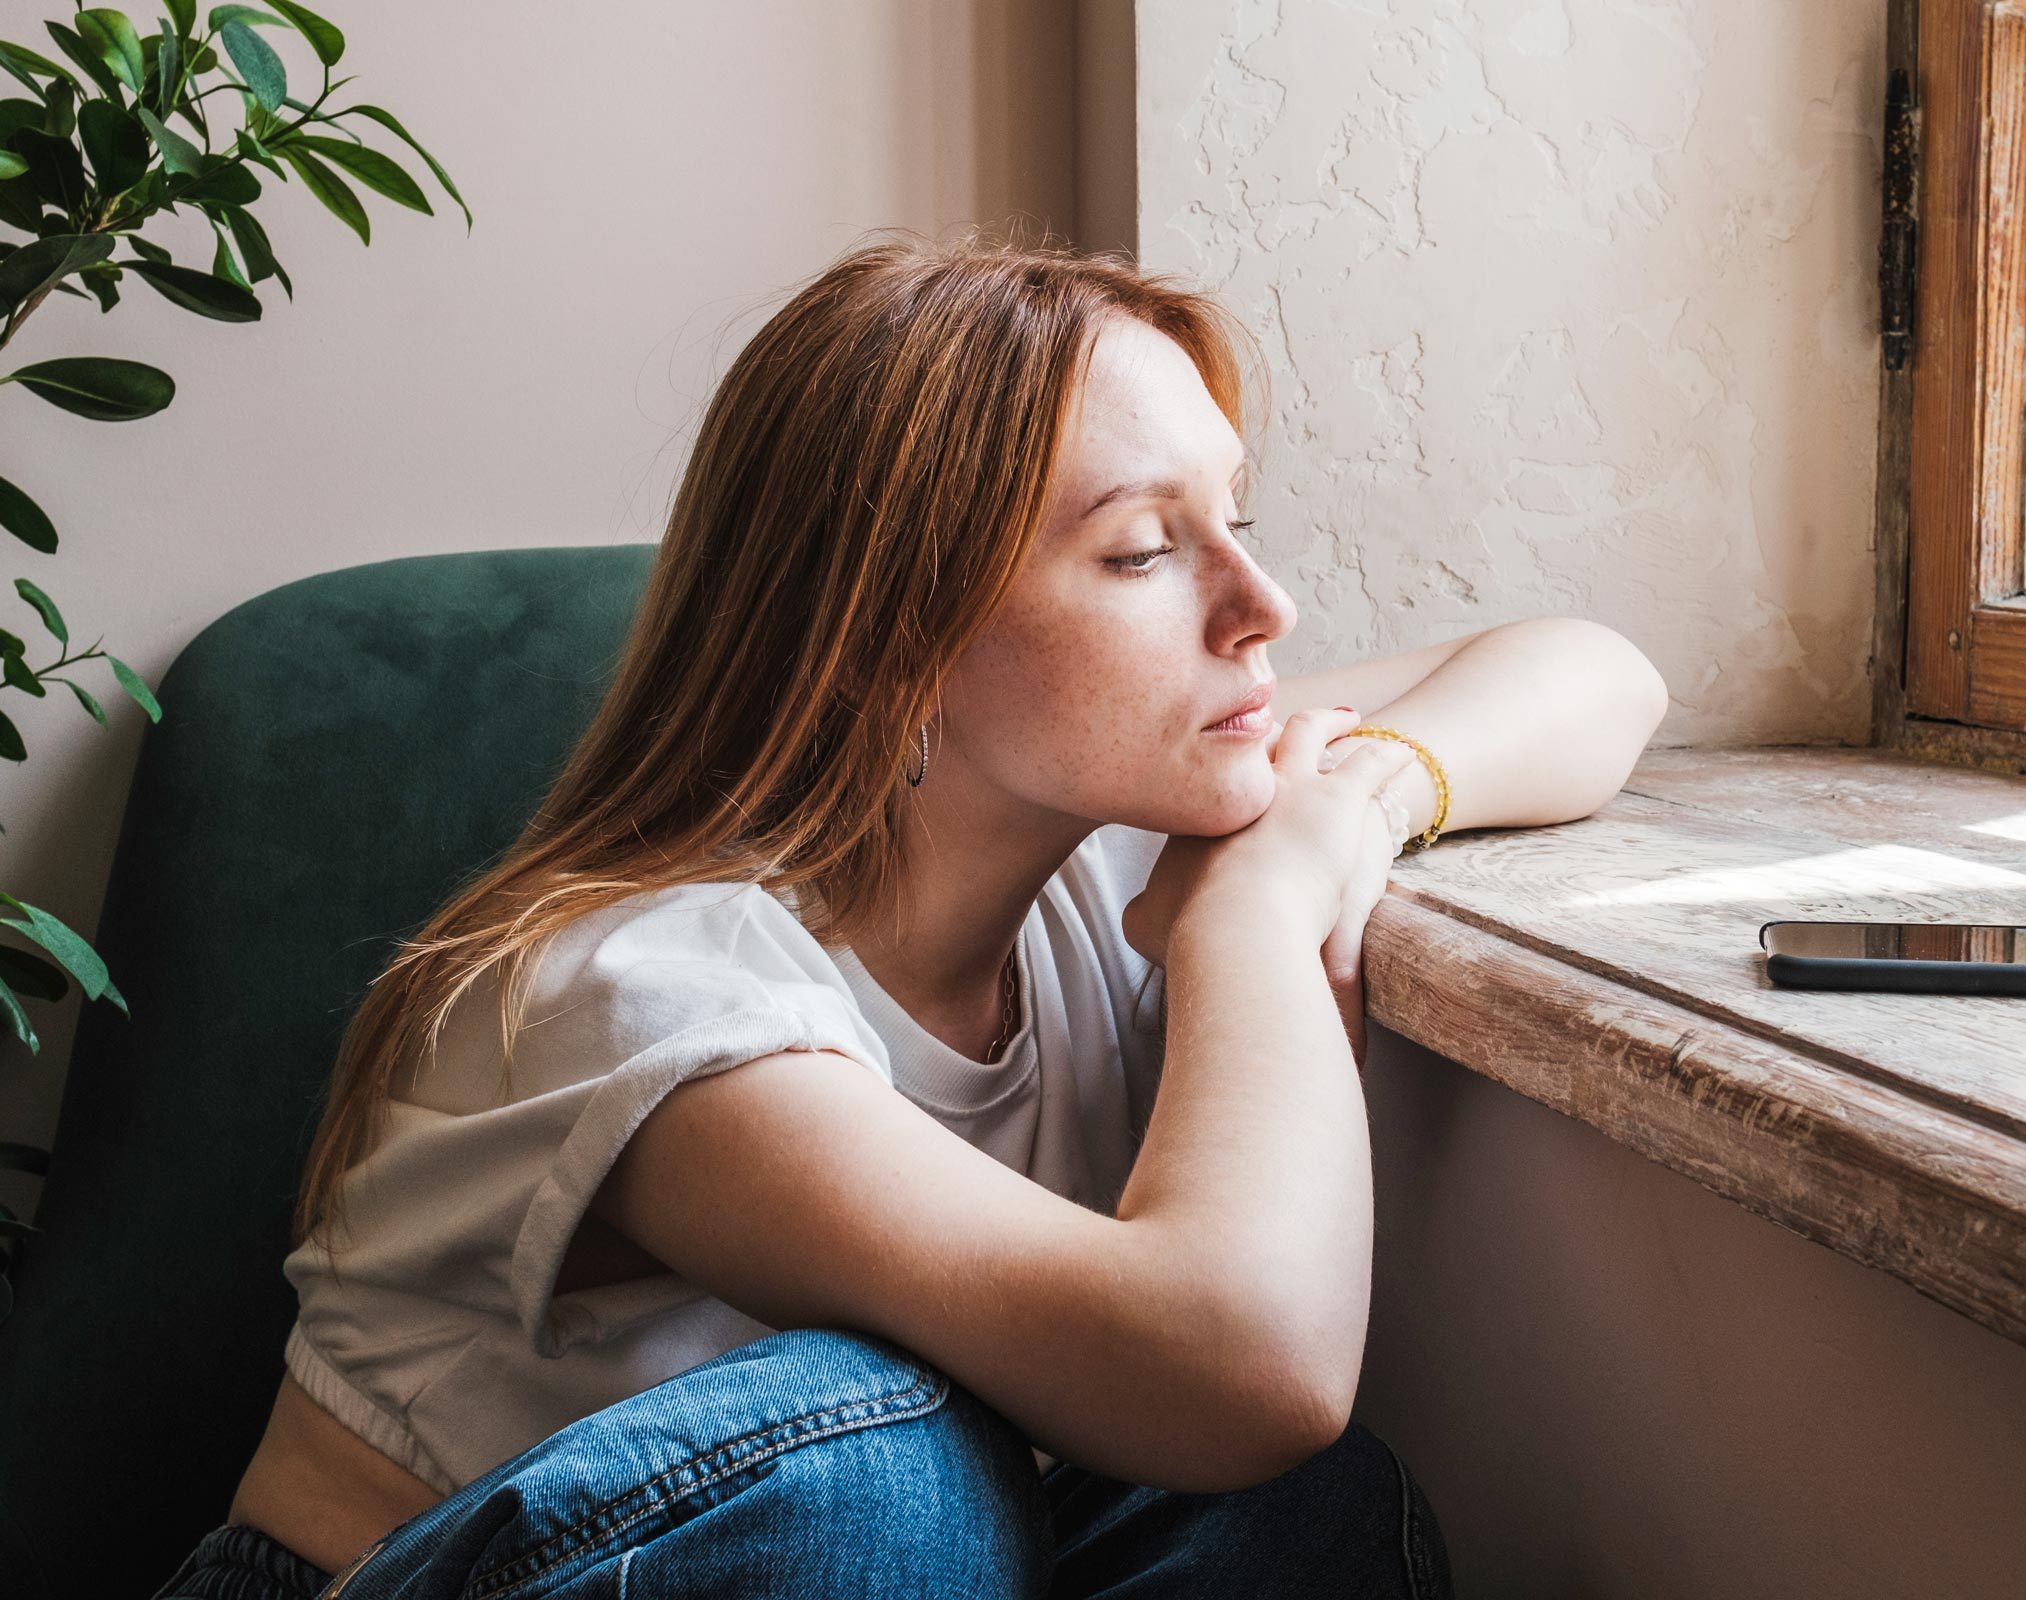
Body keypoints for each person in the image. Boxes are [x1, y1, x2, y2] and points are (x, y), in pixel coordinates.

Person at [153, 228, 1669, 1599]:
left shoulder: (1093, 828)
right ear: (889, 634)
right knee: (880, 1481)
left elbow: (1594, 673)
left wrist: (1370, 797)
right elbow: (1246, 1359)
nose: (1261, 602)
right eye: (1144, 551)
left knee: (1300, 1519)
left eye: (1238, 519)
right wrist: (1260, 917)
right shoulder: (644, 994)